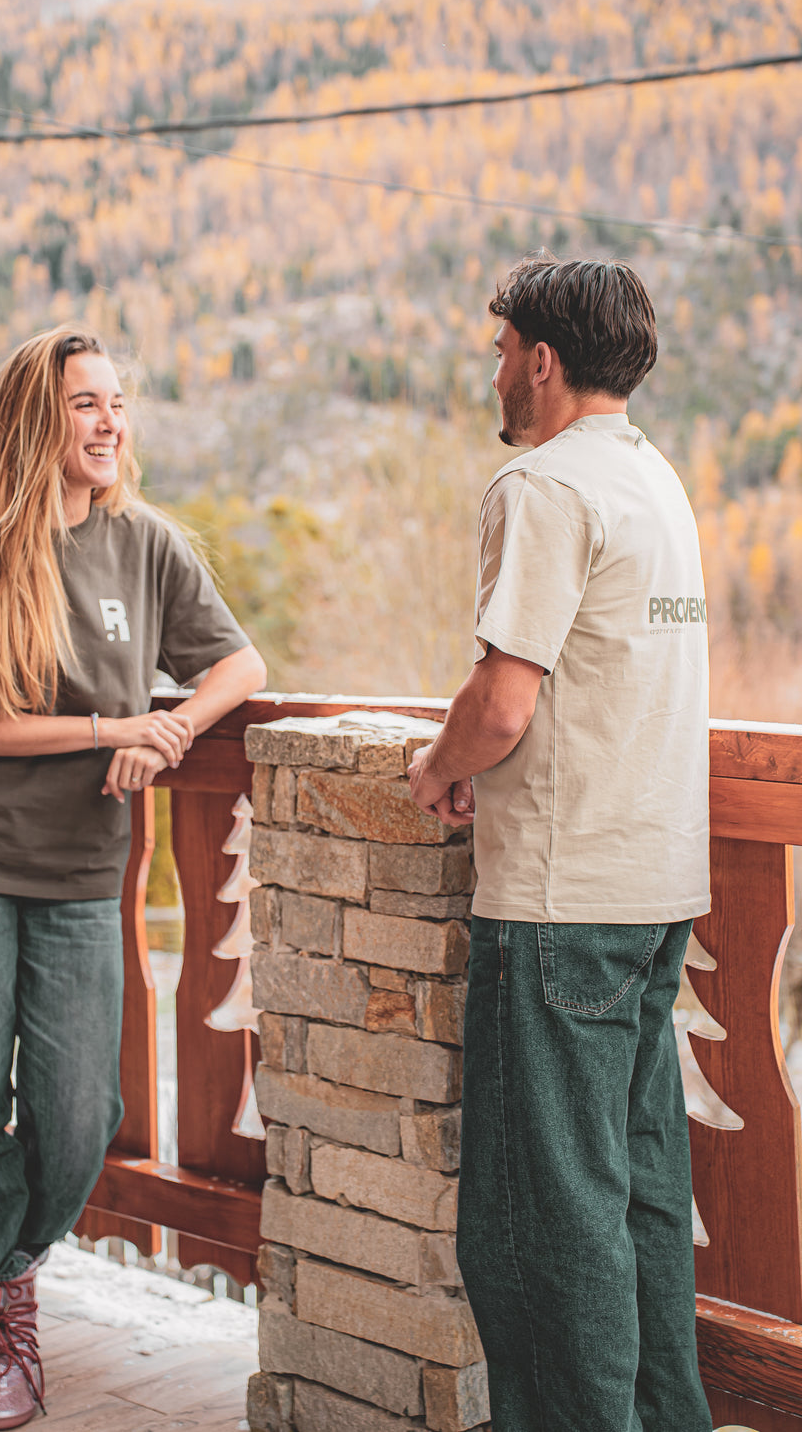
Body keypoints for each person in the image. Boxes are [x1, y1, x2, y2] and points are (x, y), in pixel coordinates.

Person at [0, 325, 266, 1431]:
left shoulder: (144, 544)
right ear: (31, 422)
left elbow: (239, 663)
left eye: (117, 404)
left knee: (80, 1110)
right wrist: (112, 722)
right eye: (85, 404)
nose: (110, 423)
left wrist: (176, 729)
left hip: (80, 874)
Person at [408, 255, 713, 1432]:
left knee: (539, 1221)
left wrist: (439, 767)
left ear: (540, 359)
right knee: (637, 1197)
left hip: (559, 901)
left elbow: (504, 699)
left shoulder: (541, 486)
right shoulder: (657, 482)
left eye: (499, 350)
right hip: (655, 892)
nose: (494, 371)